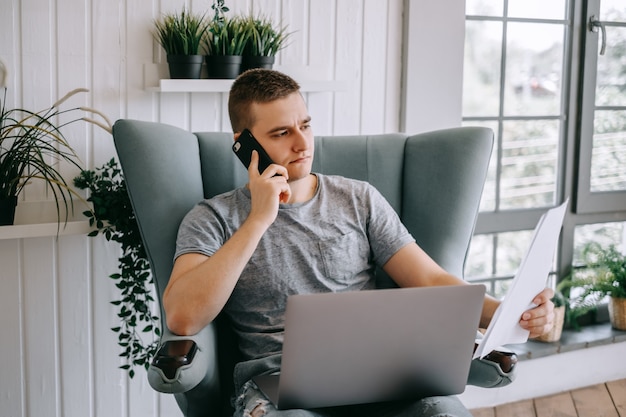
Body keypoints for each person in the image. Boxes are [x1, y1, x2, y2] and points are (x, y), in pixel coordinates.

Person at [163, 69, 555, 417]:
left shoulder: (358, 198)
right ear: (243, 143)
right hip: (279, 390)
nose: (303, 144)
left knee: (445, 412)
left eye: (305, 124)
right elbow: (183, 317)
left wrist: (508, 314)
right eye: (282, 133)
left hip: (381, 379)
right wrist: (258, 220)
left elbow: (431, 280)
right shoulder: (212, 218)